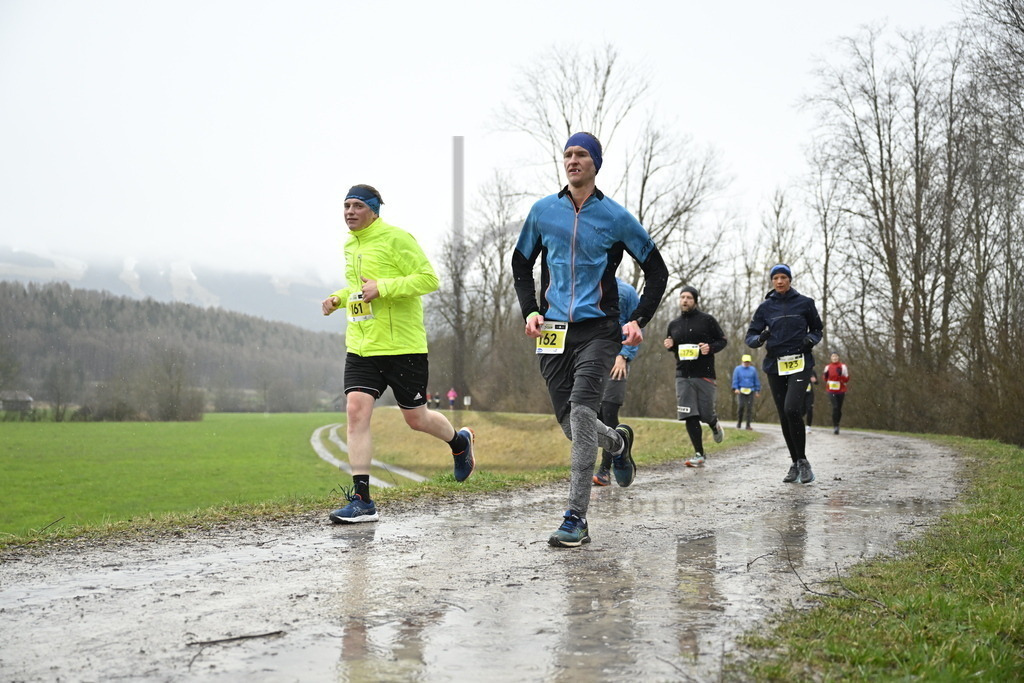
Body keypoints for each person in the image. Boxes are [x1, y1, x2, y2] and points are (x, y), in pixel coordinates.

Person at [512, 132, 668, 548]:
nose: (573, 160)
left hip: (600, 329)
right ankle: (618, 442)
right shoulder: (543, 211)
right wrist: (530, 309)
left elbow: (657, 271)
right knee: (569, 425)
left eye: (581, 154)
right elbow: (521, 262)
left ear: (595, 163)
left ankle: (575, 517)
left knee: (582, 415)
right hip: (553, 332)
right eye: (568, 155)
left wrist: (639, 319)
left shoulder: (615, 217)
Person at [321, 184, 476, 523]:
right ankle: (362, 499)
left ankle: (459, 442)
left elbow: (428, 278)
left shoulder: (397, 238)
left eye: (357, 206)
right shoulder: (350, 244)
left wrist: (384, 287)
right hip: (362, 346)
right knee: (355, 411)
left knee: (416, 418)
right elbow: (358, 289)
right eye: (346, 205)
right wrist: (339, 298)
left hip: (402, 347)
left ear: (374, 210)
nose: (349, 211)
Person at [745, 264, 823, 485]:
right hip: (775, 364)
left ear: (790, 279)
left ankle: (804, 461)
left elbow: (818, 329)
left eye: (783, 277)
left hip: (800, 362)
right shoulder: (765, 308)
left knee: (792, 409)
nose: (779, 282)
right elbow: (750, 337)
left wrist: (811, 340)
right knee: (783, 415)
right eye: (775, 278)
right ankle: (795, 462)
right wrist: (761, 337)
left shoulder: (805, 303)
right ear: (772, 281)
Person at [663, 286, 728, 467]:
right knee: (689, 414)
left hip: (704, 373)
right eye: (682, 297)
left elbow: (722, 340)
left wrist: (710, 348)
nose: (685, 301)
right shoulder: (673, 324)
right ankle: (699, 453)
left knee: (706, 414)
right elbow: (673, 345)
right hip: (682, 375)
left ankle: (713, 423)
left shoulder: (707, 320)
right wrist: (670, 345)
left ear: (695, 301)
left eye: (689, 298)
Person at [593, 277, 641, 487]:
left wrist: (625, 355)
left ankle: (605, 470)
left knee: (609, 410)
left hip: (617, 358)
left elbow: (635, 326)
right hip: (591, 357)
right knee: (594, 414)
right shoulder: (585, 286)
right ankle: (621, 447)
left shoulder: (626, 291)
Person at [822, 351, 850, 434]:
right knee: (835, 407)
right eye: (833, 356)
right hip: (831, 389)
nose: (834, 358)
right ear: (831, 358)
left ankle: (837, 423)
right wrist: (825, 376)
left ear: (838, 357)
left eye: (836, 356)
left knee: (839, 408)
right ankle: (835, 426)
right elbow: (825, 378)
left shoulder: (843, 366)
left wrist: (840, 376)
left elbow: (847, 379)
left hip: (841, 390)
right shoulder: (827, 367)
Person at [731, 354, 761, 430]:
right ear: (742, 361)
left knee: (749, 408)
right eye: (745, 362)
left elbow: (756, 380)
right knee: (741, 407)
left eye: (748, 362)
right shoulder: (738, 369)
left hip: (750, 390)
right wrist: (736, 388)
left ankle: (748, 425)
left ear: (750, 362)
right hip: (741, 391)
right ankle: (739, 423)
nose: (746, 363)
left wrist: (757, 390)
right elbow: (735, 380)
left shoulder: (753, 370)